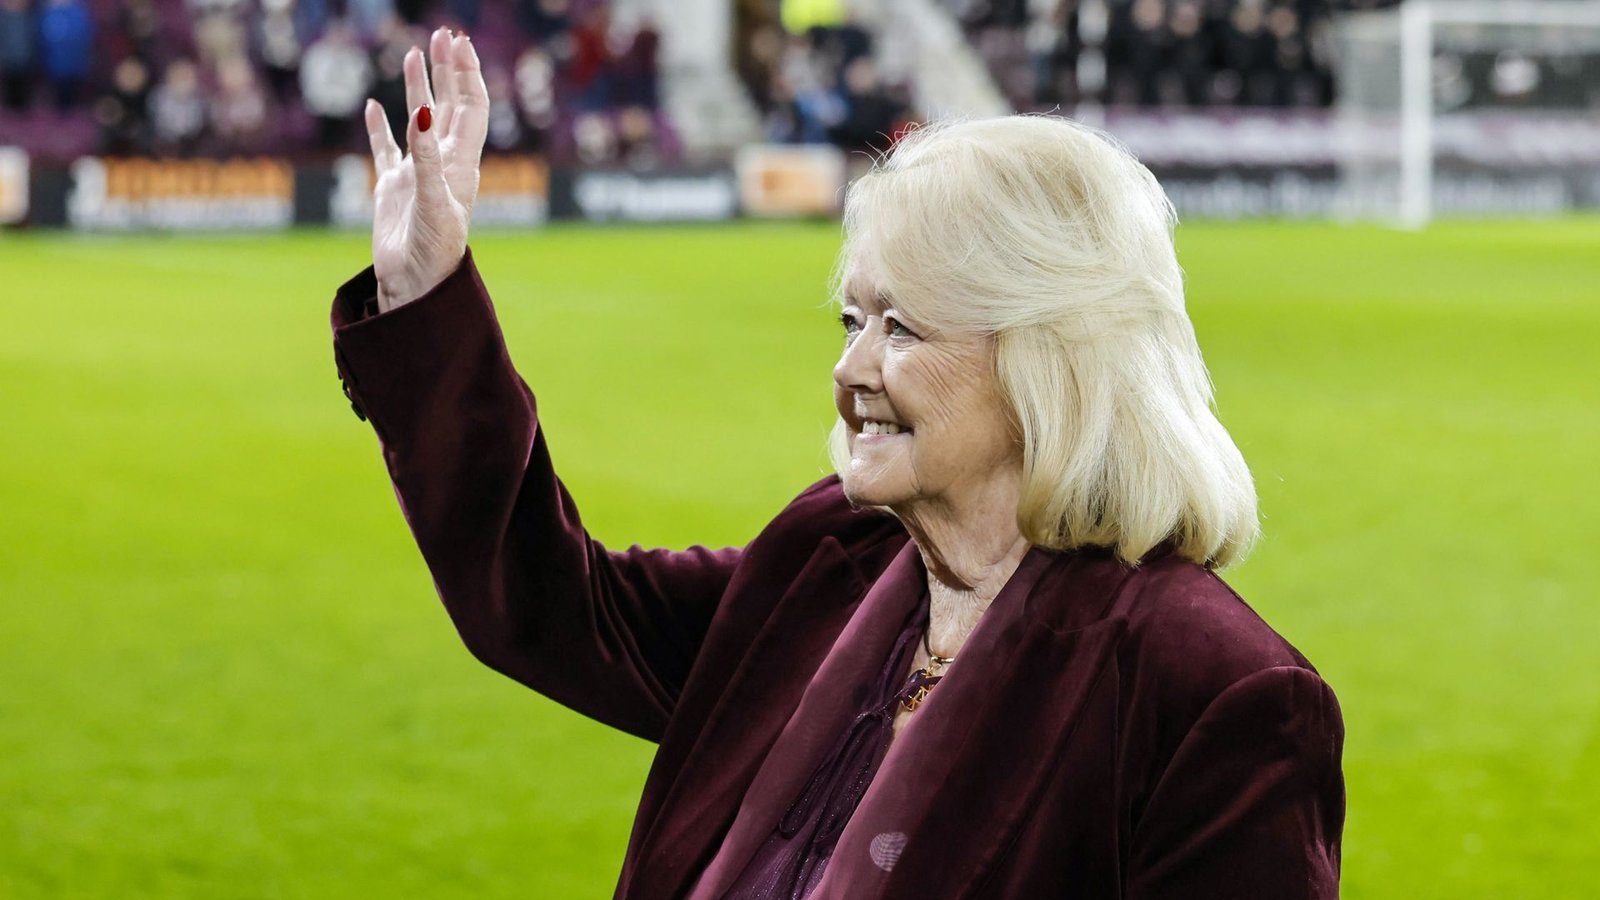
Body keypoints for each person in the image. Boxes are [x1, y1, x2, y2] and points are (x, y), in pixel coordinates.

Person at [329, 26, 1344, 898]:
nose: (850, 367)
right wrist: (430, 297)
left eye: (902, 328)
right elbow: (549, 604)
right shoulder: (828, 559)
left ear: (1048, 360)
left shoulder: (1215, 692)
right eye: (852, 320)